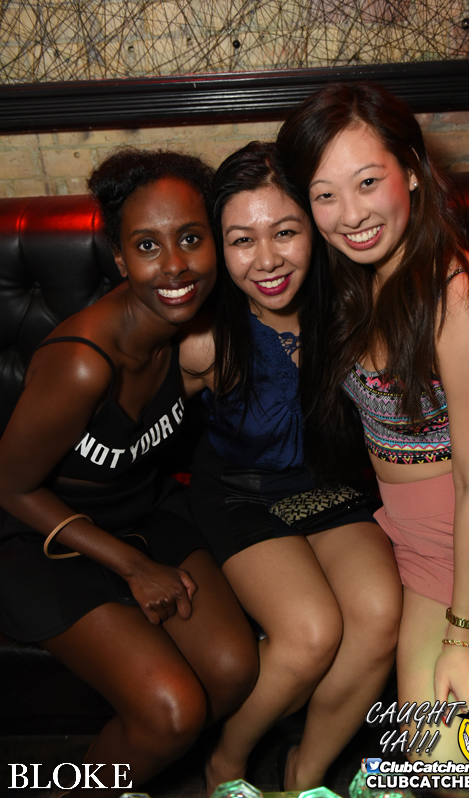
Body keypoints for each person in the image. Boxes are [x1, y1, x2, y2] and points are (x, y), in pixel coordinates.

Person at [276, 82, 469, 785]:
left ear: (412, 171)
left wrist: (463, 637)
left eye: (368, 182)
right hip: (419, 550)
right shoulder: (348, 284)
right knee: (437, 766)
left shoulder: (461, 295)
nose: (351, 214)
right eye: (325, 195)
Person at [0, 147, 258, 797]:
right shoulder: (83, 363)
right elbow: (10, 486)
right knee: (173, 712)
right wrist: (135, 567)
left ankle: (122, 763)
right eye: (147, 245)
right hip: (44, 535)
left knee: (233, 670)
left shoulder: (190, 337)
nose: (174, 265)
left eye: (191, 238)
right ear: (119, 259)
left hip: (144, 511)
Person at [179, 141, 403, 794]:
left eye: (284, 231)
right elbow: (127, 424)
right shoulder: (201, 340)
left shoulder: (357, 308)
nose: (267, 259)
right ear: (218, 247)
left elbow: (428, 379)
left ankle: (304, 775)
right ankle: (225, 765)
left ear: (316, 226)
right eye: (241, 240)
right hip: (241, 494)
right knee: (310, 632)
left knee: (379, 613)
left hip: (330, 490)